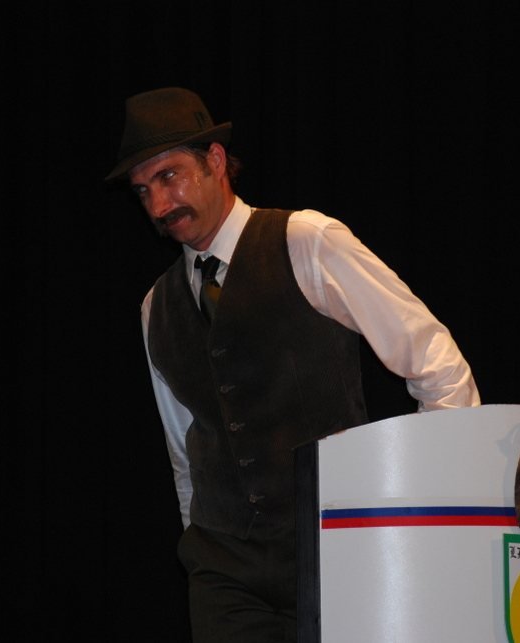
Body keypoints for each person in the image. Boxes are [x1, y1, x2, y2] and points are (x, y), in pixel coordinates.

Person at [105, 86, 480, 643]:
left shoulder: (306, 240)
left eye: (169, 176)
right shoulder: (155, 307)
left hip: (337, 548)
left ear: (215, 161)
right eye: (143, 190)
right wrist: (198, 538)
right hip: (224, 569)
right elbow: (183, 448)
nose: (159, 205)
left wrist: (438, 501)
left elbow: (431, 357)